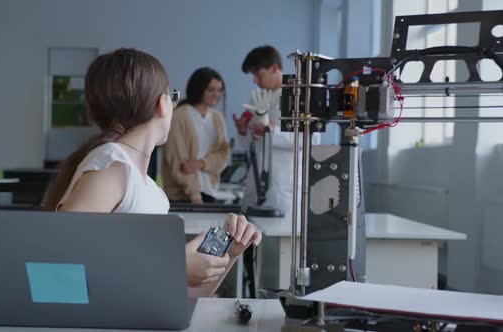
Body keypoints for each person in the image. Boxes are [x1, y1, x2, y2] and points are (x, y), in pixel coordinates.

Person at [42, 49, 261, 297]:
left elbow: (184, 296)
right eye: (172, 95)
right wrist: (174, 265)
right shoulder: (113, 166)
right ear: (161, 103)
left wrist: (229, 253)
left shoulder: (150, 190)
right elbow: (58, 271)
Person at [233, 45, 320, 217]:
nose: (255, 81)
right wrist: (244, 131)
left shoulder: (298, 96)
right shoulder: (258, 98)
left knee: (281, 239)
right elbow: (249, 144)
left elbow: (310, 140)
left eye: (259, 75)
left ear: (274, 68)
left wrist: (272, 132)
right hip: (256, 182)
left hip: (283, 186)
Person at [162, 67, 229, 204]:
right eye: (211, 90)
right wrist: (194, 194)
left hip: (209, 192)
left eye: (219, 90)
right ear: (199, 89)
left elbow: (223, 154)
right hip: (182, 197)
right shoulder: (179, 116)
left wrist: (203, 163)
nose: (216, 94)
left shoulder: (217, 118)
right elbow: (177, 160)